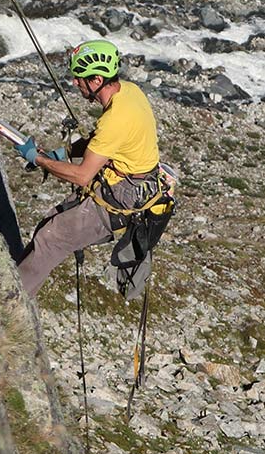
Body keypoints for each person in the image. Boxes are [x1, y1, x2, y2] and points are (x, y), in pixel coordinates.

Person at [14, 39, 166, 298]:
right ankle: (19, 288)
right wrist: (63, 153)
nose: (75, 83)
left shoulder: (115, 119)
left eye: (80, 78)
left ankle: (10, 305)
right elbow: (101, 144)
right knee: (49, 225)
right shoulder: (129, 92)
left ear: (96, 80)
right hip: (132, 185)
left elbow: (83, 175)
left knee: (50, 238)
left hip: (121, 199)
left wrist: (39, 159)